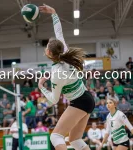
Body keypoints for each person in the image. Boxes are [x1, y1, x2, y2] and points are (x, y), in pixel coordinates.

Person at [38, 4, 95, 150]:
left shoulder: (57, 72)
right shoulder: (65, 52)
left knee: (55, 136)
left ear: (49, 53)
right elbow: (59, 32)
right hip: (87, 97)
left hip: (80, 101)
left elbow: (54, 99)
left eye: (46, 47)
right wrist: (54, 13)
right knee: (75, 140)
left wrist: (41, 87)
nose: (46, 48)